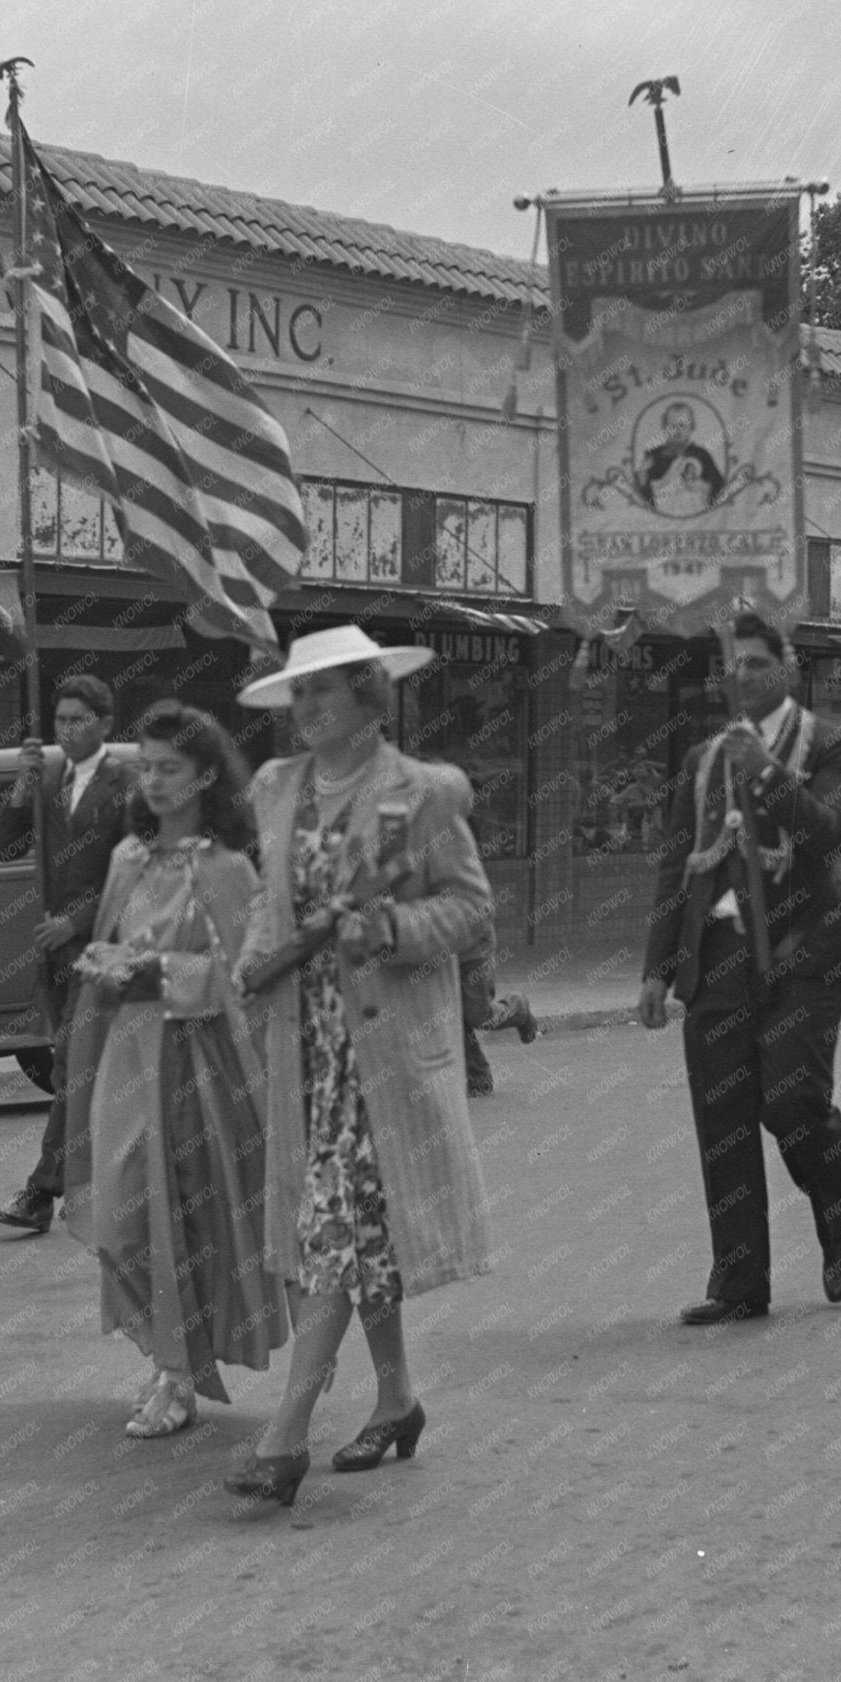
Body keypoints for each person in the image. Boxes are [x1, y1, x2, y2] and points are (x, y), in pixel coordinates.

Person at [228, 626, 495, 1507]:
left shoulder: (417, 794)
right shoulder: (277, 789)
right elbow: (276, 906)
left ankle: (285, 1438)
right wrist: (253, 964)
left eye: (323, 693)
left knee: (333, 1232)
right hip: (305, 1048)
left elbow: (468, 910)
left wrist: (390, 930)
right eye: (296, 694)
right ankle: (397, 1398)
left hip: (381, 1052)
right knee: (356, 1233)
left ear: (369, 698)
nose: (305, 709)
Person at [59, 701, 289, 1437]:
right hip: (126, 1057)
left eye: (171, 770)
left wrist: (160, 972)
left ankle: (176, 1373)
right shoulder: (128, 858)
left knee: (181, 1217)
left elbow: (247, 975)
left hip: (196, 1067)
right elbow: (108, 944)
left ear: (206, 779)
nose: (154, 783)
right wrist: (103, 965)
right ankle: (164, 1357)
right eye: (147, 768)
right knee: (123, 1215)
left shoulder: (224, 868)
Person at [637, 611, 841, 1325]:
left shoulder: (833, 745)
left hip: (804, 954)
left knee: (791, 1101)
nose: (743, 677)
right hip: (720, 957)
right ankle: (739, 1282)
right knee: (724, 1121)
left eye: (758, 664)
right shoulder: (703, 759)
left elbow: (827, 833)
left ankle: (836, 1206)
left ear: (788, 668)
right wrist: (656, 967)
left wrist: (767, 775)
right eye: (734, 665)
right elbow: (678, 865)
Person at [0, 675, 138, 1234]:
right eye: (60, 721)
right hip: (54, 959)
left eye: (79, 720)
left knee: (75, 1069)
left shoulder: (125, 785)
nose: (67, 730)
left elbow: (133, 871)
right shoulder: (48, 779)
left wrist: (74, 921)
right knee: (74, 1071)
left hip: (101, 948)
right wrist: (20, 791)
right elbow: (3, 847)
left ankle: (40, 1190)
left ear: (104, 723)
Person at [458, 942, 538, 1097]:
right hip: (440, 951)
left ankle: (518, 1006)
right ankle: (478, 1077)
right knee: (452, 1010)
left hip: (472, 946)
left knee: (479, 1016)